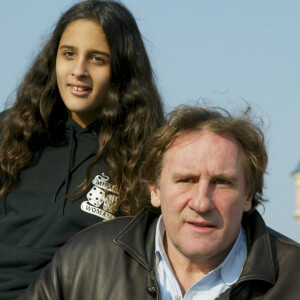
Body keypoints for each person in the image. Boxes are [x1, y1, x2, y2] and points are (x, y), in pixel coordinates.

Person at [20, 105, 300, 300]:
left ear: (248, 195)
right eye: (185, 180)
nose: (201, 203)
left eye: (222, 183)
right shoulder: (85, 260)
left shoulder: (293, 277)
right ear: (154, 189)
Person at [0, 1, 164, 299]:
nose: (78, 71)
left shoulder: (146, 157)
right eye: (69, 54)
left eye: (97, 59)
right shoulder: (11, 132)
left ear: (122, 70)